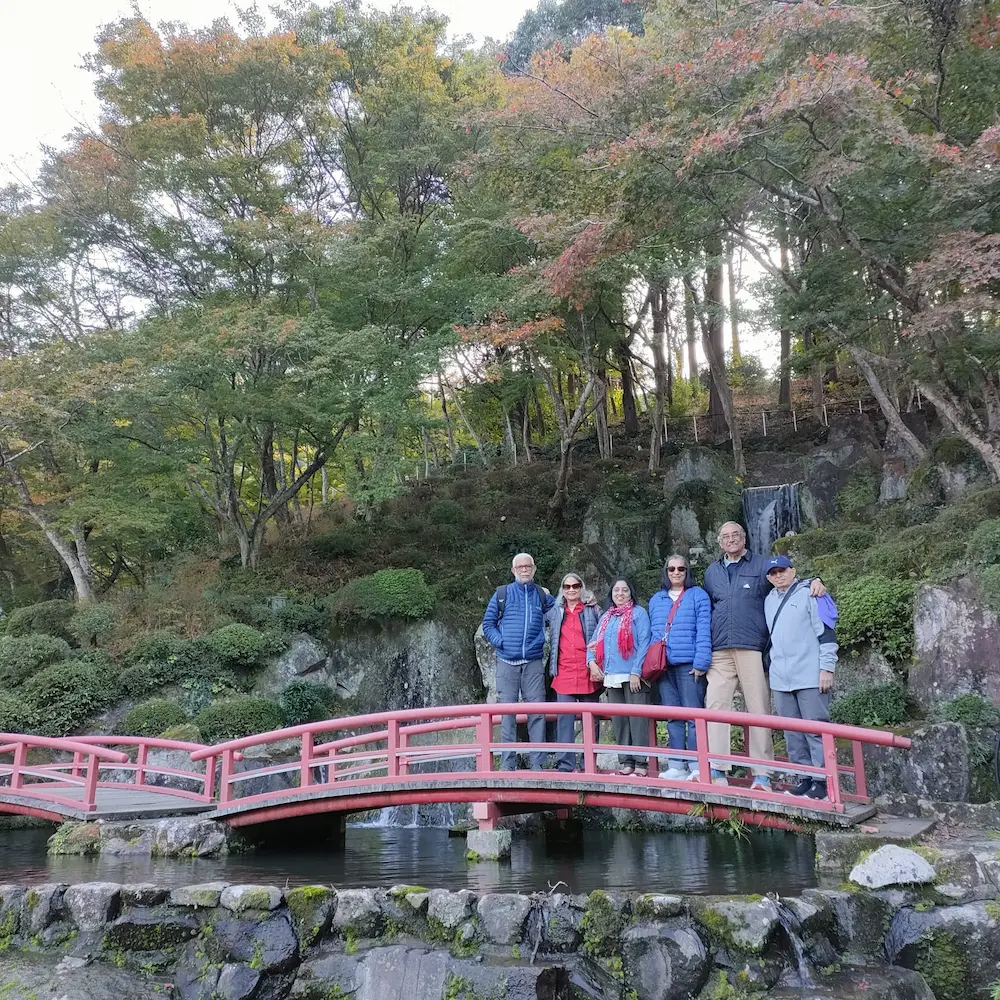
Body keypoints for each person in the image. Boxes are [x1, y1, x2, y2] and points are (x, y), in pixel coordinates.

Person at [702, 522, 825, 789]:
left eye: (736, 535)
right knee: (715, 707)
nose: (731, 540)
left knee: (758, 709)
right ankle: (717, 768)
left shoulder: (760, 565)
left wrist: (814, 581)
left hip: (751, 646)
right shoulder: (712, 571)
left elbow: (784, 581)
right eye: (726, 536)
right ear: (719, 542)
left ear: (744, 538)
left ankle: (762, 773)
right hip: (720, 648)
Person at [764, 555, 838, 800]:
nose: (778, 576)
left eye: (782, 570)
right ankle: (803, 777)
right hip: (781, 677)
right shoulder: (768, 601)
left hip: (809, 674)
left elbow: (826, 632)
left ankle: (822, 782)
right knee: (792, 732)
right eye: (773, 573)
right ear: (768, 578)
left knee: (815, 728)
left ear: (793, 571)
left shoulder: (811, 593)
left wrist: (827, 668)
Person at [482, 552, 555, 770]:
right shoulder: (502, 594)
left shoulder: (542, 595)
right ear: (513, 570)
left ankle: (537, 766)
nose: (524, 569)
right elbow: (488, 623)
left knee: (537, 713)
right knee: (508, 715)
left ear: (534, 569)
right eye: (520, 567)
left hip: (532, 661)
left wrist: (588, 604)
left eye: (528, 566)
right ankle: (507, 766)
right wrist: (500, 641)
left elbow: (562, 613)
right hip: (506, 661)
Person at [648, 555, 712, 780]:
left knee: (693, 715)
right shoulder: (656, 600)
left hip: (689, 665)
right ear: (665, 571)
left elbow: (704, 629)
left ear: (687, 571)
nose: (676, 572)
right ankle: (676, 764)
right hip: (664, 665)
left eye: (681, 568)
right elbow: (653, 634)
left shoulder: (698, 596)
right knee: (673, 716)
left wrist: (702, 661)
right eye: (671, 568)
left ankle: (696, 764)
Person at [588, 578, 651, 776]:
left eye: (625, 590)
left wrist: (636, 671)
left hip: (634, 675)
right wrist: (591, 663)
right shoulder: (607, 617)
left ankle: (641, 763)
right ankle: (626, 761)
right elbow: (593, 642)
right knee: (620, 721)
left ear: (631, 593)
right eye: (616, 590)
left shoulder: (639, 613)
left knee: (637, 719)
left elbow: (645, 642)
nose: (620, 593)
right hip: (612, 674)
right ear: (611, 594)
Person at [546, 572, 602, 772]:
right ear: (562, 589)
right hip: (564, 671)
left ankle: (589, 764)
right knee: (564, 721)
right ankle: (565, 764)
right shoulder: (555, 611)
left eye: (575, 586)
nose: (571, 590)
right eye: (567, 586)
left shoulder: (592, 609)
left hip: (587, 670)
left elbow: (602, 635)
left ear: (582, 587)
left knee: (590, 721)